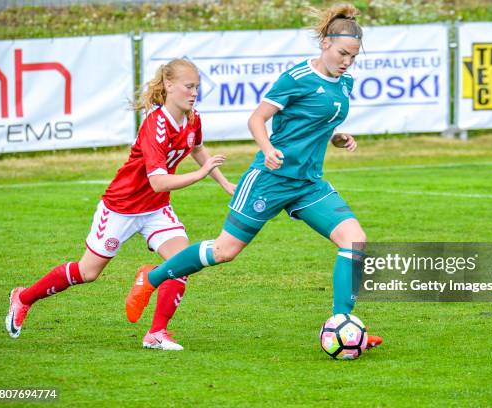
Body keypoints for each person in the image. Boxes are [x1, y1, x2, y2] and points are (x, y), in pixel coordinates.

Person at [126, 4, 382, 349]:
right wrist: (268, 148)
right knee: (224, 251)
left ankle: (344, 325)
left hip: (308, 184)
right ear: (324, 43)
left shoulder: (344, 81)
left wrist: (336, 136)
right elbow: (256, 119)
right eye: (342, 53)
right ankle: (151, 277)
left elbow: (318, 122)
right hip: (269, 179)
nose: (347, 62)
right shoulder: (296, 78)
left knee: (355, 241)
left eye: (353, 56)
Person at [6, 59, 235, 351]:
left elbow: (198, 149)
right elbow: (158, 181)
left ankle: (156, 333)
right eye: (189, 87)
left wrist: (224, 182)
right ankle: (23, 297)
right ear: (169, 85)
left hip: (155, 209)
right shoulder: (156, 126)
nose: (194, 93)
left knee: (181, 262)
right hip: (121, 207)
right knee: (87, 272)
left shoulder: (193, 118)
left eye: (197, 87)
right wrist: (201, 175)